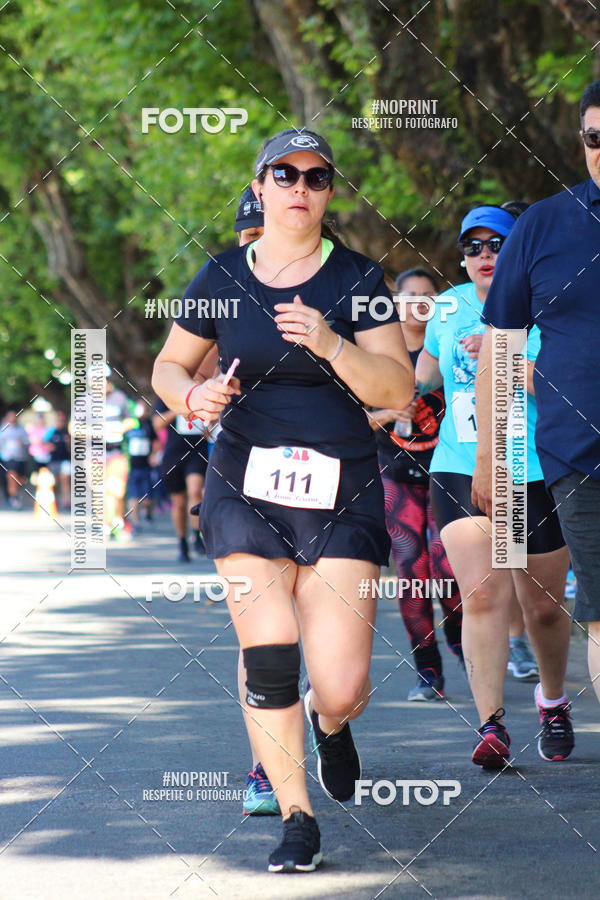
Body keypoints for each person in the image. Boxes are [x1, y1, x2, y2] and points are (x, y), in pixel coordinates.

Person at [152, 127, 413, 872]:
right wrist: (194, 394)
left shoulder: (359, 279)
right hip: (245, 486)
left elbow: (397, 392)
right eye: (285, 174)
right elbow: (169, 369)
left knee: (342, 683)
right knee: (268, 657)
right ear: (260, 185)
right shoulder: (222, 276)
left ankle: (331, 725)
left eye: (317, 176)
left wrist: (333, 345)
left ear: (329, 193)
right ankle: (297, 818)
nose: (301, 187)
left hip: (342, 490)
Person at [416, 205, 572, 769]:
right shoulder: (449, 305)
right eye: (472, 247)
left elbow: (563, 383)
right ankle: (491, 725)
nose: (484, 257)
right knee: (483, 596)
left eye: (496, 245)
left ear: (516, 252)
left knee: (545, 608)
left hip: (534, 466)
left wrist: (505, 359)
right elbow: (425, 375)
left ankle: (552, 700)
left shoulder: (544, 303)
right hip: (463, 464)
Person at [473, 79, 600, 713]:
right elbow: (500, 348)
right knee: (598, 612)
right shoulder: (544, 224)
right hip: (578, 453)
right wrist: (492, 457)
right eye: (593, 139)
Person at [370, 268, 463, 701]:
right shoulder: (380, 352)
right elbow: (355, 416)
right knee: (412, 573)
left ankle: (465, 644)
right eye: (412, 296)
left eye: (431, 295)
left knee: (448, 568)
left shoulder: (449, 345)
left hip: (447, 471)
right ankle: (429, 672)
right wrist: (390, 411)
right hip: (396, 475)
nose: (421, 303)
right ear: (395, 301)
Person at [124, 402, 159, 533]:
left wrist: (154, 455)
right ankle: (136, 523)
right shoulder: (128, 424)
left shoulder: (148, 424)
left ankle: (148, 513)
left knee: (147, 497)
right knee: (133, 496)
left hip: (146, 467)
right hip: (131, 467)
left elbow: (155, 441)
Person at [0, 410, 30, 509]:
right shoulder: (4, 428)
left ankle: (16, 493)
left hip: (20, 458)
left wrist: (22, 443)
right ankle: (14, 497)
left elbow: (27, 441)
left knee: (21, 479)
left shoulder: (21, 429)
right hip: (8, 457)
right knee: (12, 476)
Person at [43, 410, 71, 511]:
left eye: (62, 420)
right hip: (54, 460)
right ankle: (55, 501)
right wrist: (49, 446)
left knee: (65, 480)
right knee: (55, 482)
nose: (61, 422)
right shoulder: (51, 432)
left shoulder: (68, 432)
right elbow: (44, 443)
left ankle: (66, 501)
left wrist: (69, 443)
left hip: (65, 460)